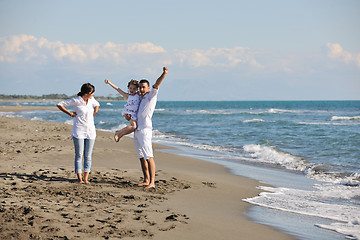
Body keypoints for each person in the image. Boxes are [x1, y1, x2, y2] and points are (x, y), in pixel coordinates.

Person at [129, 67, 168, 189]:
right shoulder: (140, 97)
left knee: (148, 156)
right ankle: (146, 179)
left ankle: (152, 182)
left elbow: (157, 84)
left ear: (148, 88)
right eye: (140, 87)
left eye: (143, 87)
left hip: (145, 130)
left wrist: (164, 73)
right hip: (137, 130)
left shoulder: (151, 95)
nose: (141, 89)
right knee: (141, 156)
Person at [56, 83, 100, 184]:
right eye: (92, 93)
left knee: (88, 155)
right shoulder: (76, 101)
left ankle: (86, 178)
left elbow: (97, 104)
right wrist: (70, 114)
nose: (93, 94)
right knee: (79, 155)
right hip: (79, 131)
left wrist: (95, 113)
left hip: (90, 131)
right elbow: (60, 104)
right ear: (87, 93)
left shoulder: (92, 100)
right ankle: (79, 179)